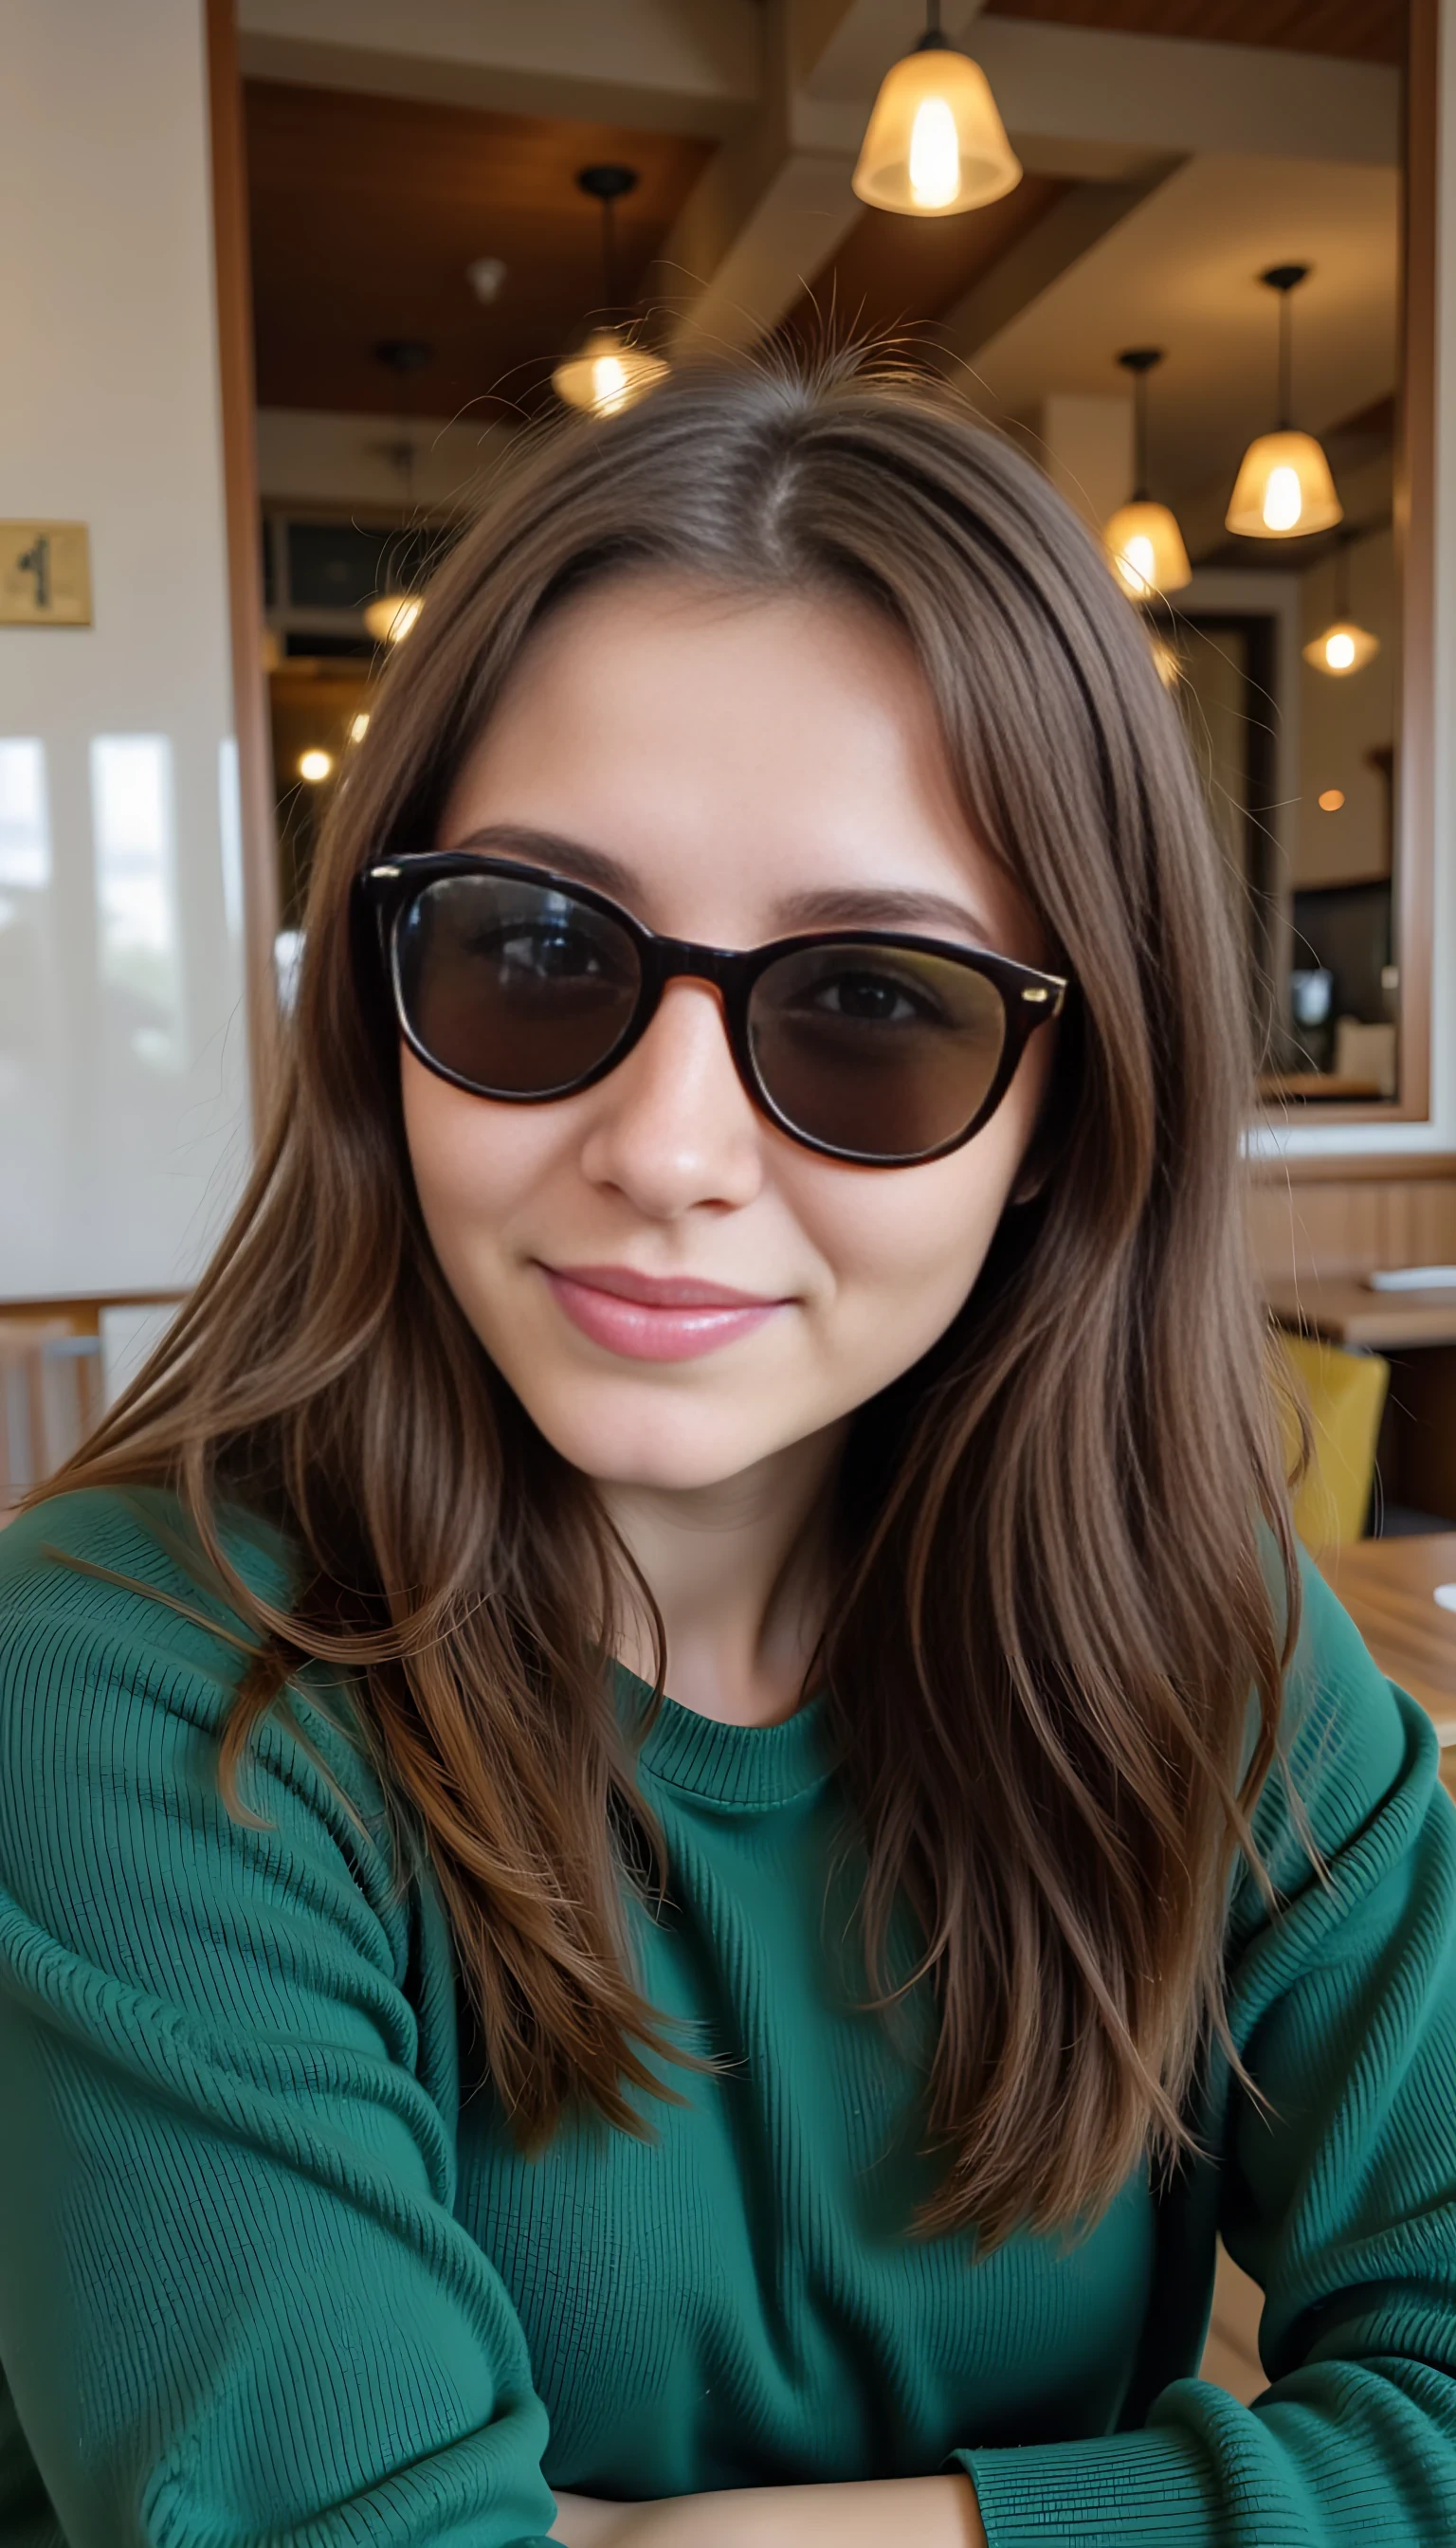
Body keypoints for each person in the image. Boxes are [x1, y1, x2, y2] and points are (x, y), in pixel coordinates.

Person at [1, 352, 1452, 2548]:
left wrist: (668, 2540)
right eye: (537, 953)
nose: (666, 1151)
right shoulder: (129, 1687)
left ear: (1069, 1116)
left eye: (874, 1001)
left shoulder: (1190, 1634)